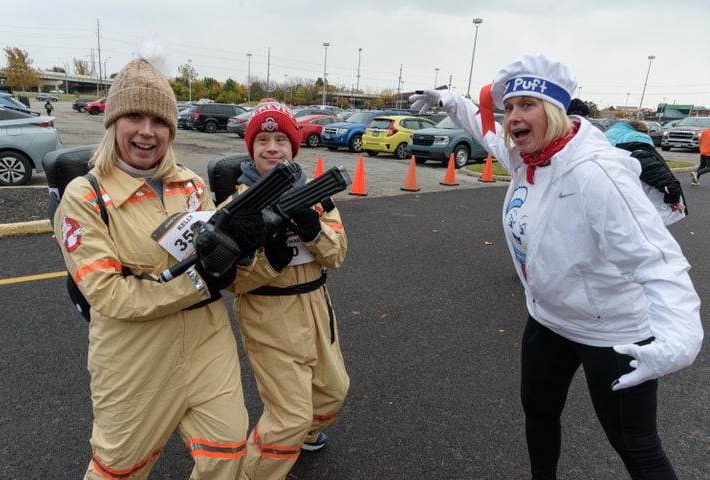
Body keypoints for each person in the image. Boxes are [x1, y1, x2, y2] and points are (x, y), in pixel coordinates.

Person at [410, 54, 703, 480]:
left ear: (553, 111)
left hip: (613, 331)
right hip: (549, 318)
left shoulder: (597, 174)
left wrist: (678, 339)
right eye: (509, 107)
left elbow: (657, 261)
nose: (513, 117)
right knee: (539, 415)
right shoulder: (527, 158)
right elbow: (487, 133)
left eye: (526, 105)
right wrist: (451, 101)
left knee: (635, 444)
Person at [53, 46, 258, 479]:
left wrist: (245, 248)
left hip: (207, 344)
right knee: (119, 470)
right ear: (113, 123)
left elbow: (220, 261)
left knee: (229, 453)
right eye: (135, 118)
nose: (147, 132)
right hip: (134, 360)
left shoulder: (190, 183)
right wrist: (201, 281)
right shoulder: (84, 197)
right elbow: (107, 293)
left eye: (160, 121)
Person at [226, 100, 350, 480]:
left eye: (281, 138)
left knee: (333, 390)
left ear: (294, 147)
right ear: (251, 148)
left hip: (316, 308)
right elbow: (231, 281)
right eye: (262, 139)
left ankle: (308, 436)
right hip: (269, 316)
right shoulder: (236, 207)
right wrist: (270, 259)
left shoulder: (316, 194)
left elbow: (337, 254)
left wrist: (314, 231)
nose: (272, 147)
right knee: (289, 417)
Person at [604, 119, 687, 224]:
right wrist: (672, 195)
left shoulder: (604, 144)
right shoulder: (637, 149)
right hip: (630, 207)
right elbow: (660, 177)